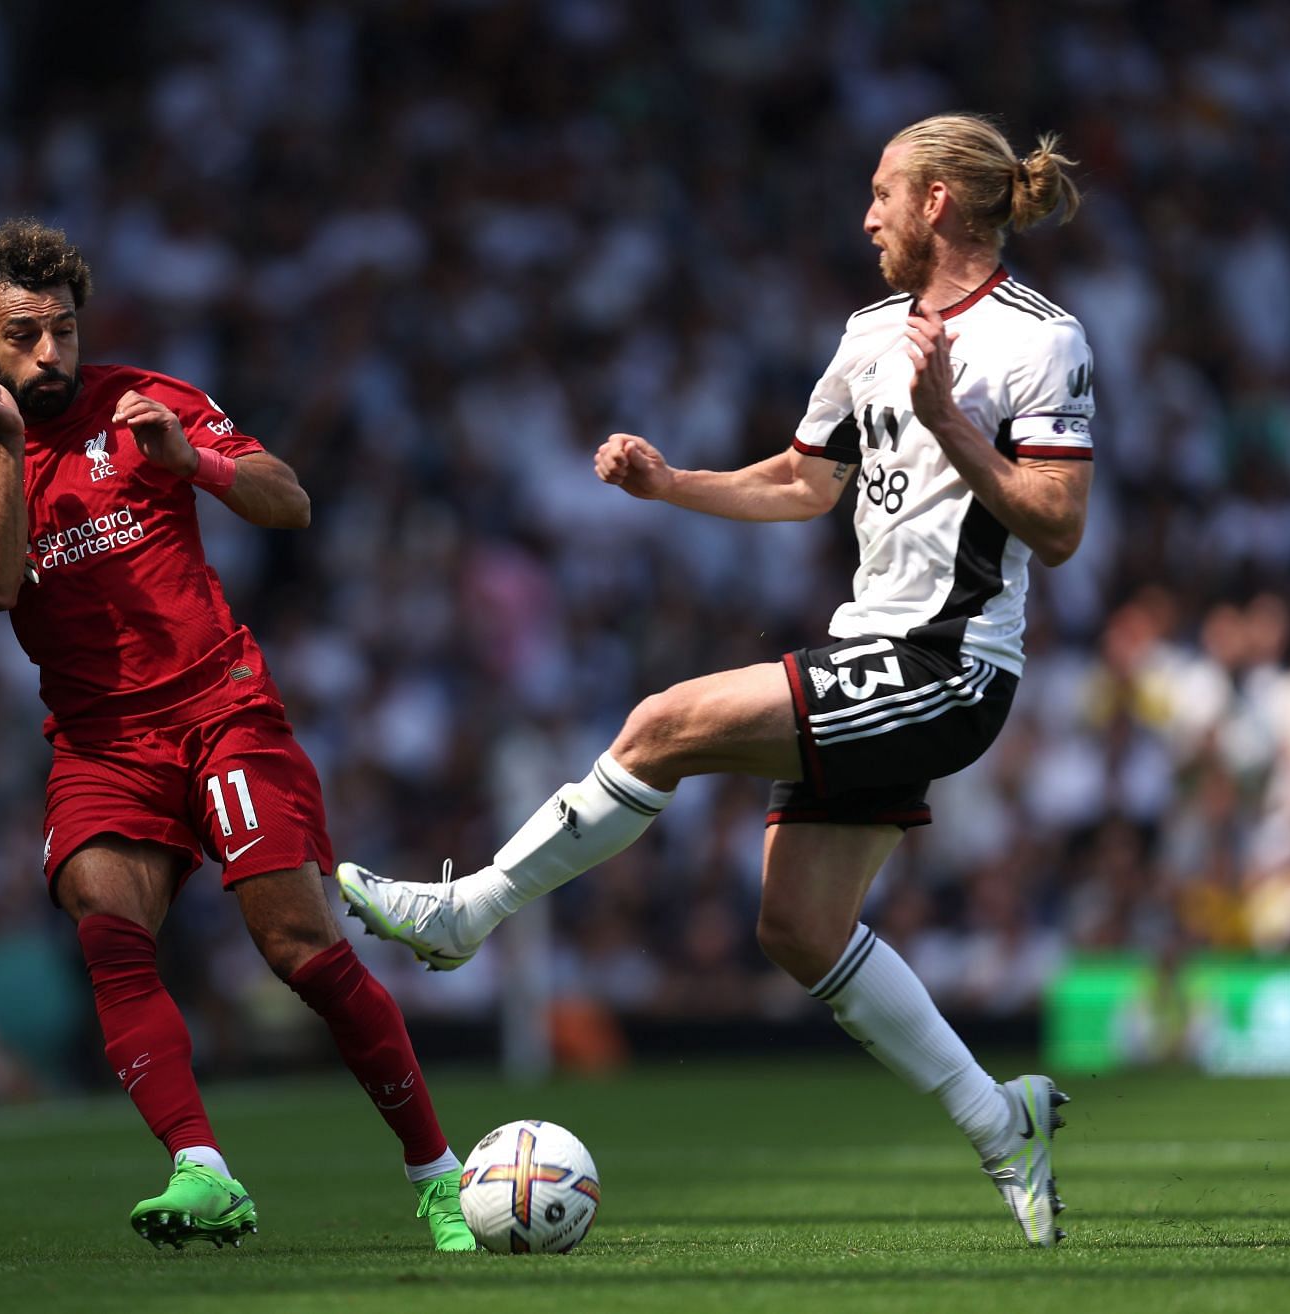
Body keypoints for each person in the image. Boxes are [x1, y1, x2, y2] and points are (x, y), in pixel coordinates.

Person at [338, 114, 1093, 1248]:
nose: (868, 214)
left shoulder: (1042, 341)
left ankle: (466, 913)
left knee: (664, 722)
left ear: (941, 200)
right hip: (871, 648)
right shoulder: (871, 329)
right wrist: (669, 482)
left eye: (884, 191)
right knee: (796, 926)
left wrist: (949, 427)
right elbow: (804, 481)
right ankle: (1002, 1124)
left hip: (951, 664)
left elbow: (1061, 524)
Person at [0, 219, 473, 1253]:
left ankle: (436, 1174)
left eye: (64, 332)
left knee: (299, 951)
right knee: (106, 927)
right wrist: (7, 446)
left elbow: (291, 501)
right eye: (24, 335)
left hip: (221, 709)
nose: (51, 354)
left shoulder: (149, 399)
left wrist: (196, 466)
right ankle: (202, 1170)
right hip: (97, 741)